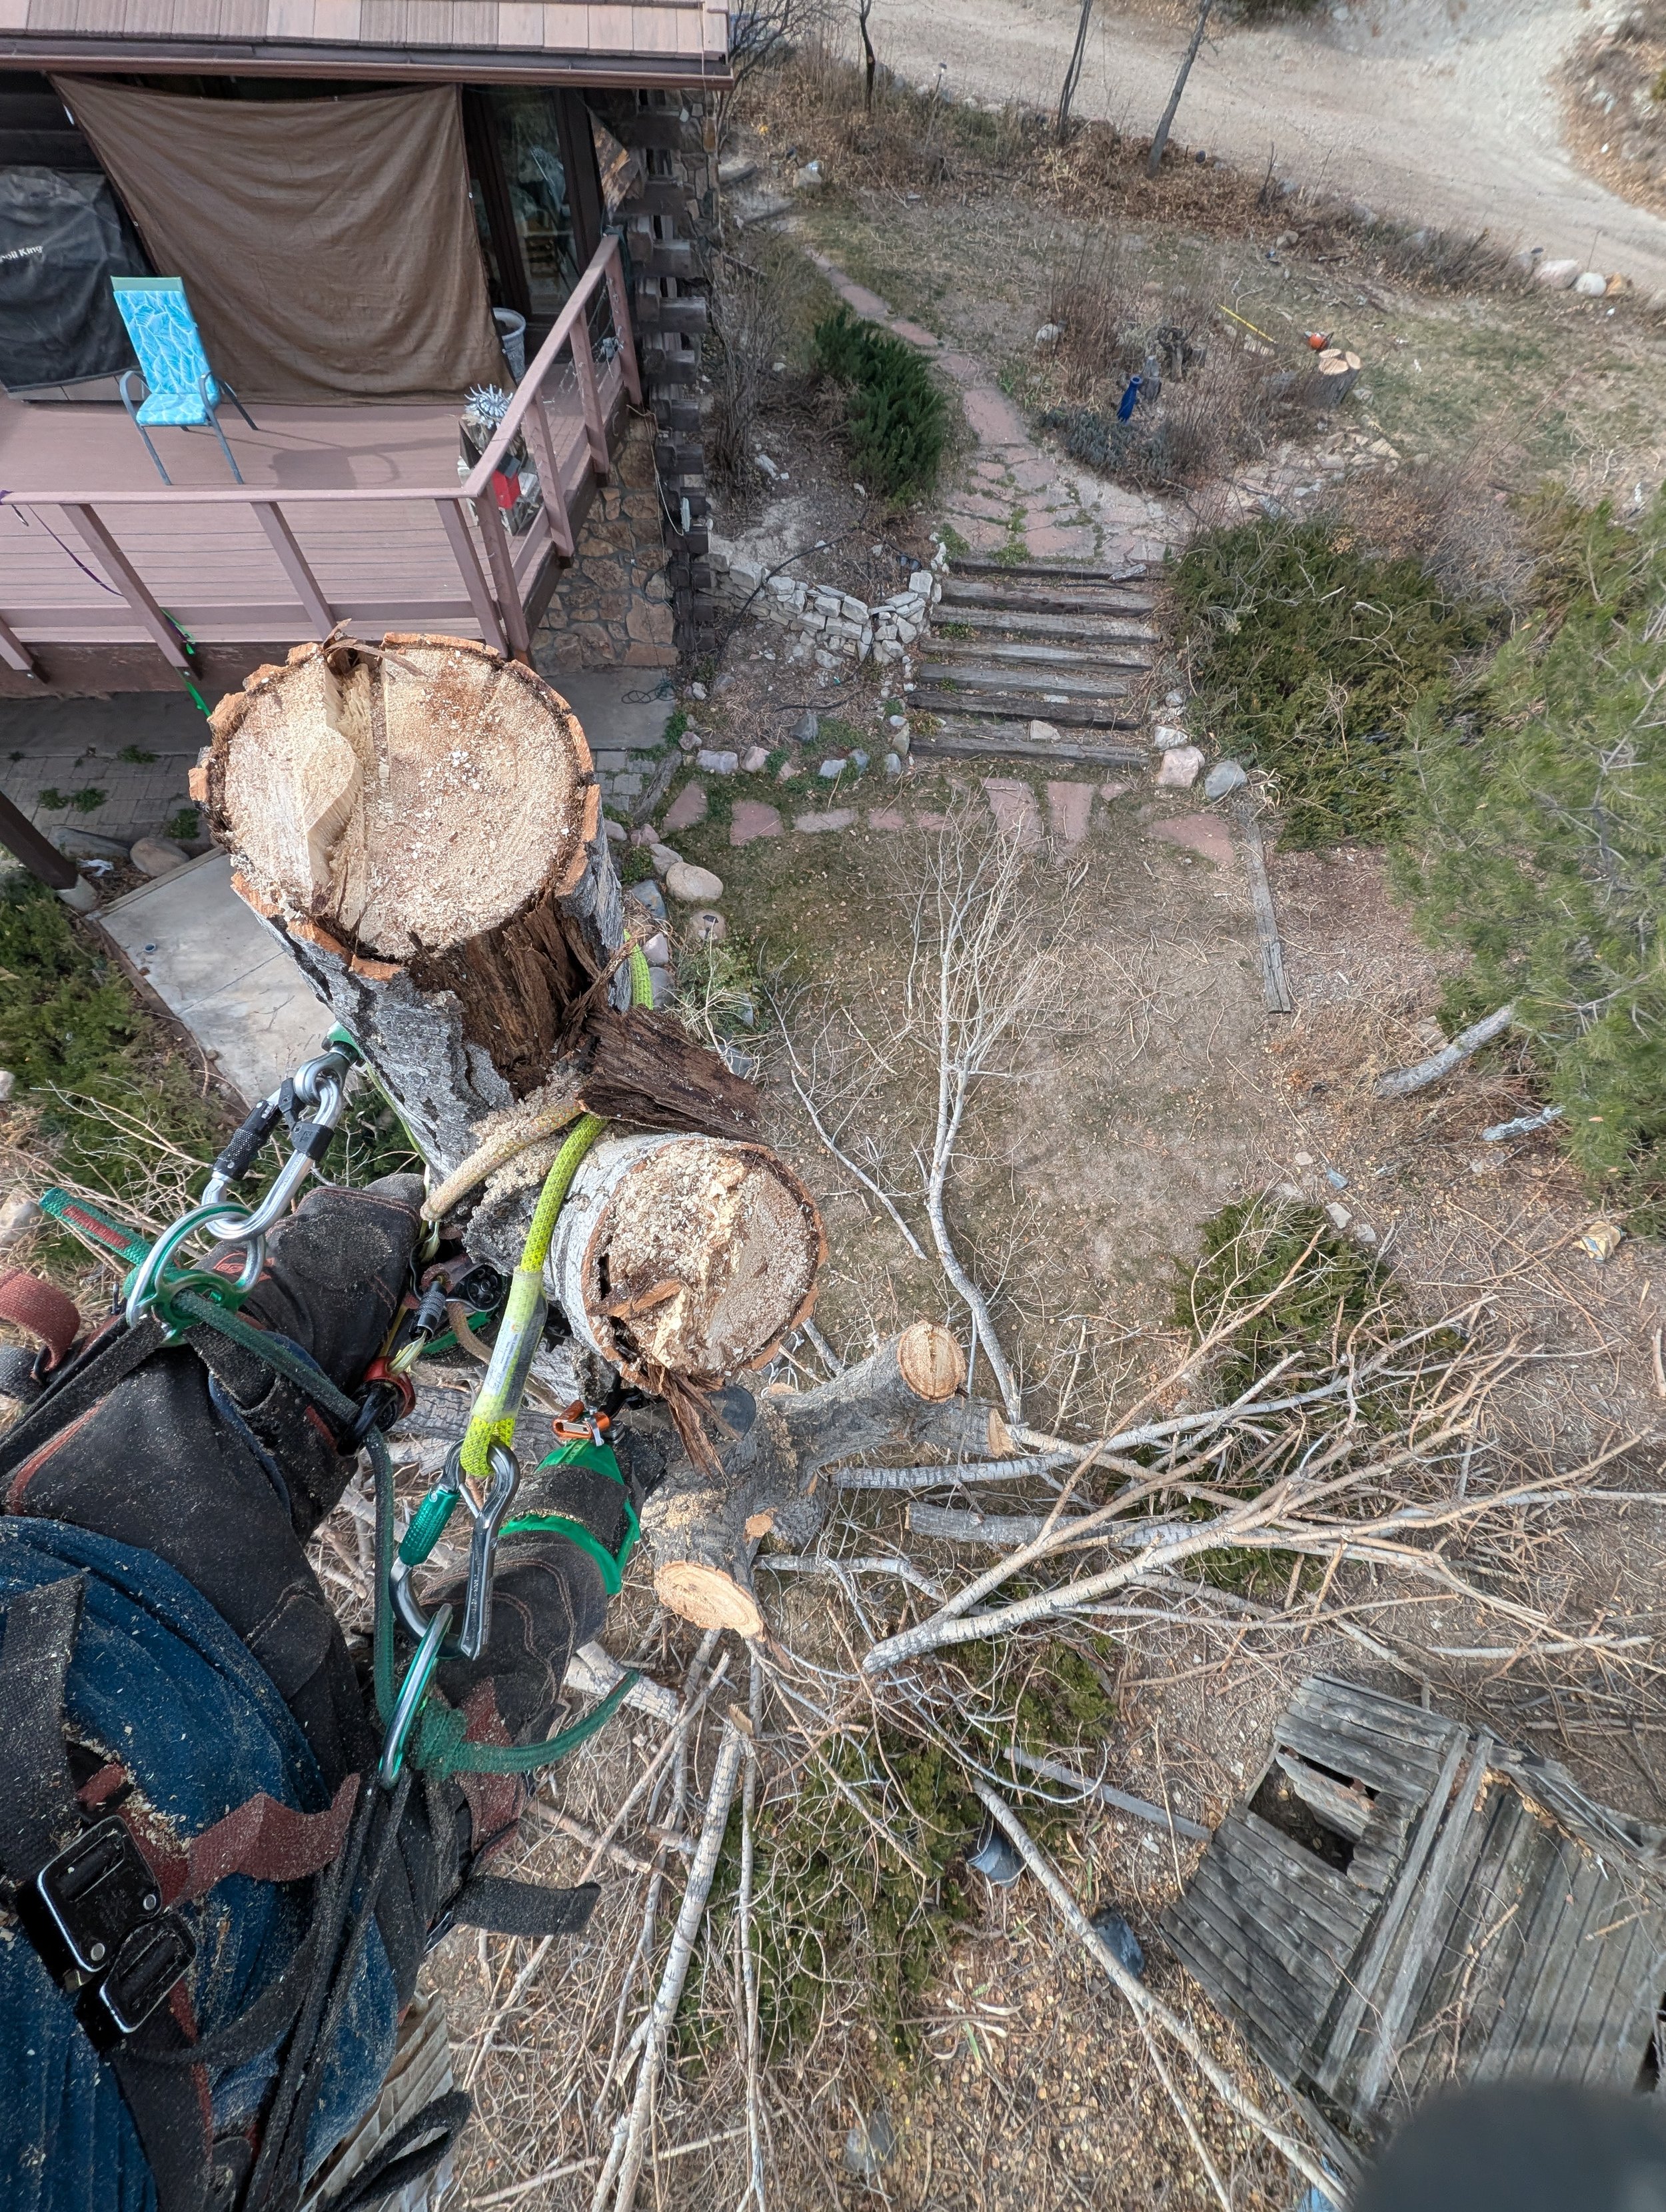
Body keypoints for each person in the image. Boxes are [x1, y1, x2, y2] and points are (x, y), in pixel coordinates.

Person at [0, 1175, 648, 2212]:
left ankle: (489, 1245)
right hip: (278, 1986)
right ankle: (629, 1431)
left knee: (351, 1253)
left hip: (71, 1592)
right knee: (510, 1650)